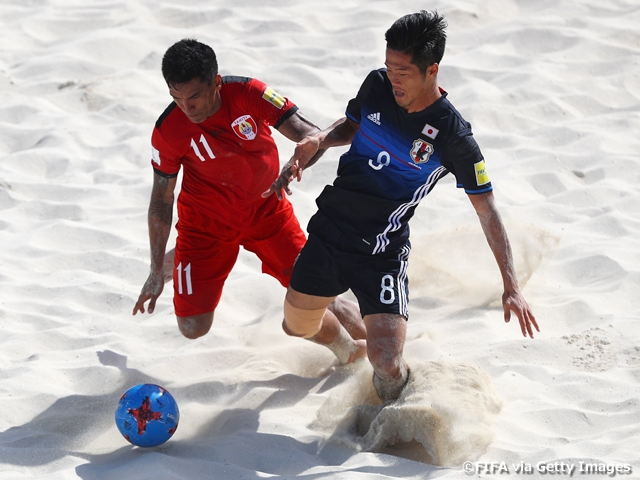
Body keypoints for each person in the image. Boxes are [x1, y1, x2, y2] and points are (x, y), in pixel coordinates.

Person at [264, 11, 539, 402]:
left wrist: (511, 285)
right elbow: (354, 123)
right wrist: (320, 139)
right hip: (330, 232)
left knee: (388, 361)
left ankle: (398, 410)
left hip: (381, 250)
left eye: (403, 71)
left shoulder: (453, 136)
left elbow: (487, 209)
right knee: (296, 326)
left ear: (432, 70)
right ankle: (347, 351)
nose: (393, 76)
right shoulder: (378, 84)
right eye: (389, 65)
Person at [132, 39, 366, 364]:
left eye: (195, 96)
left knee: (320, 297)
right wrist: (156, 269)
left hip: (267, 213)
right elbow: (161, 200)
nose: (188, 107)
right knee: (192, 327)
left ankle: (355, 352)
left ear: (216, 82)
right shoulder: (169, 130)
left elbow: (309, 135)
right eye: (177, 98)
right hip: (206, 230)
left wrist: (298, 160)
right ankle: (177, 259)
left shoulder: (248, 93)